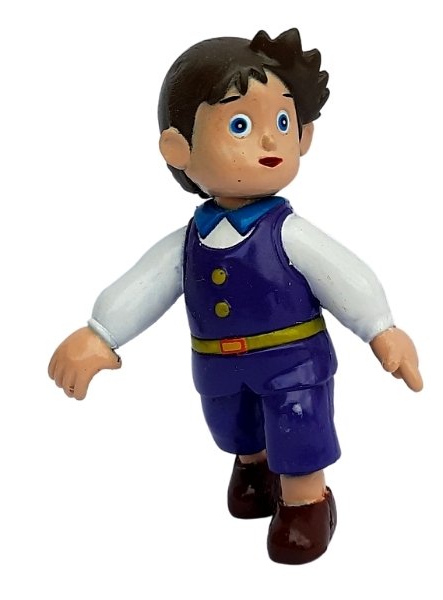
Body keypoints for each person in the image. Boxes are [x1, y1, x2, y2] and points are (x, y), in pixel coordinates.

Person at [48, 28, 423, 565]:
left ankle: (306, 503)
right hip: (219, 366)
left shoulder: (288, 233)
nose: (269, 142)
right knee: (234, 426)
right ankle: (253, 468)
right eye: (240, 125)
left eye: (283, 123)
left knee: (298, 428)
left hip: (293, 365)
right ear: (179, 149)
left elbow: (345, 276)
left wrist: (381, 329)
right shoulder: (188, 242)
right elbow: (143, 284)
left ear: (304, 136)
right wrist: (99, 333)